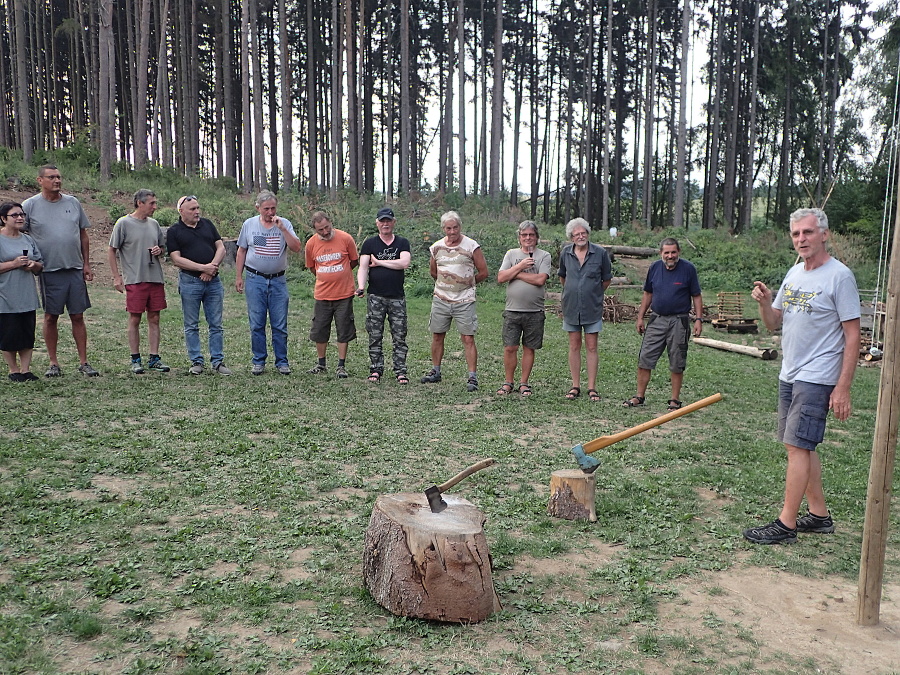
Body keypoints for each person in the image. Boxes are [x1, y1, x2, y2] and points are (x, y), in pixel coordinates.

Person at [743, 208, 860, 545]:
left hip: (819, 375)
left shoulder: (839, 276)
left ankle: (786, 524)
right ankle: (819, 516)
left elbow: (853, 335)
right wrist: (765, 303)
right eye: (796, 234)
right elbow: (773, 322)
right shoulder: (795, 273)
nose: (801, 240)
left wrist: (843, 387)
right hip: (790, 373)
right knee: (800, 447)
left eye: (808, 233)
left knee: (797, 445)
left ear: (824, 234)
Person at [22, 165, 99, 377]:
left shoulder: (72, 203)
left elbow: (83, 235)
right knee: (50, 317)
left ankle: (84, 362)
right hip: (48, 270)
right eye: (51, 177)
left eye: (59, 177)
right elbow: (18, 233)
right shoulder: (30, 205)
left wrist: (86, 264)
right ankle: (53, 363)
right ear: (40, 180)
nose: (57, 180)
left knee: (78, 316)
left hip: (74, 268)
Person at [623, 237, 703, 411]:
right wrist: (640, 317)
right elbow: (647, 294)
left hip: (679, 321)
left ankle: (674, 400)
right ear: (661, 253)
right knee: (645, 358)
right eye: (666, 252)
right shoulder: (654, 268)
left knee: (676, 361)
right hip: (657, 319)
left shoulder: (688, 269)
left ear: (678, 252)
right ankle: (639, 396)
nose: (670, 256)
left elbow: (696, 295)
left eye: (673, 252)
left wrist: (698, 319)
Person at [421, 211, 489, 392]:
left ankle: (472, 377)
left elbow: (483, 272)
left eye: (455, 227)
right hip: (441, 299)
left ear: (460, 226)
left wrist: (467, 283)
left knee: (467, 338)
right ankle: (435, 371)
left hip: (464, 300)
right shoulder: (436, 247)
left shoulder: (472, 246)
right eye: (448, 228)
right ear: (443, 229)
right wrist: (447, 285)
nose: (452, 231)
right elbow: (434, 272)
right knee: (437, 335)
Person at [235, 191, 302, 375]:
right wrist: (238, 277)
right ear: (258, 208)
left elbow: (296, 248)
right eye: (266, 209)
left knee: (279, 324)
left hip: (278, 280)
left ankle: (282, 361)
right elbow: (241, 251)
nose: (270, 212)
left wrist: (283, 229)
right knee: (257, 323)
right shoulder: (249, 224)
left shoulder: (285, 223)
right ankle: (259, 360)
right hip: (255, 278)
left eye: (273, 208)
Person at [107, 189, 171, 374]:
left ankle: (154, 357)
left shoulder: (154, 224)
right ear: (139, 203)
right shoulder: (124, 223)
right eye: (151, 203)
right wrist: (116, 276)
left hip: (155, 278)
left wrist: (160, 250)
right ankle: (135, 358)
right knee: (135, 318)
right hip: (135, 278)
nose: (155, 207)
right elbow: (112, 249)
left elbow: (163, 248)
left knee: (155, 317)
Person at [166, 195, 232, 375]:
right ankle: (196, 361)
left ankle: (218, 362)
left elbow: (221, 248)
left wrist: (212, 268)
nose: (197, 212)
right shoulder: (174, 231)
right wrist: (203, 268)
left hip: (214, 282)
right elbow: (176, 259)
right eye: (192, 209)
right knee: (191, 324)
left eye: (197, 208)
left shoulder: (208, 224)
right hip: (190, 282)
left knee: (216, 324)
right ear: (181, 211)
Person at [558, 218, 612, 402]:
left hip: (592, 307)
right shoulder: (566, 253)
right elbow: (563, 277)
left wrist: (593, 293)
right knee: (574, 345)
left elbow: (606, 279)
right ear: (571, 237)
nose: (580, 236)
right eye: (576, 234)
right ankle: (575, 386)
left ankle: (591, 387)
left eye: (583, 233)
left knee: (591, 346)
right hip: (571, 306)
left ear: (588, 234)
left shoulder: (600, 253)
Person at [356, 207, 411, 384]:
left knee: (399, 336)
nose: (385, 224)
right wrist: (361, 286)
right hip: (375, 297)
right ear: (377, 223)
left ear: (394, 222)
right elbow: (363, 267)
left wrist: (379, 262)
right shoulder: (370, 244)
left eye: (388, 221)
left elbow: (404, 263)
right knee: (375, 334)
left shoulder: (402, 242)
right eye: (382, 221)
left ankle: (401, 371)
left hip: (397, 297)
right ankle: (376, 369)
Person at [495, 220, 550, 397]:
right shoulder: (511, 254)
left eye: (531, 235)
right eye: (524, 235)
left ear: (537, 237)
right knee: (510, 347)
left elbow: (540, 280)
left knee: (529, 347)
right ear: (519, 238)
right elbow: (501, 277)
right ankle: (508, 382)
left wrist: (516, 274)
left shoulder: (544, 256)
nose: (528, 238)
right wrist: (519, 266)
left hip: (535, 311)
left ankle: (524, 383)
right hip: (512, 310)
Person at [305, 211, 359, 378]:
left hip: (344, 293)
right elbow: (312, 267)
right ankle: (321, 363)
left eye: (327, 227)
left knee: (344, 328)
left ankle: (341, 365)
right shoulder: (311, 244)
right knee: (320, 329)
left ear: (331, 223)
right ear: (315, 230)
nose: (325, 232)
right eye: (320, 230)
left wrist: (341, 275)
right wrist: (325, 276)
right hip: (322, 294)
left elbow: (354, 261)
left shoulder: (346, 238)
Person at [0, 202, 44, 381]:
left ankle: (26, 370)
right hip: (5, 296)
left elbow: (40, 265)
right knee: (9, 334)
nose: (20, 218)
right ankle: (13, 370)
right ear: (3, 219)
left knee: (27, 333)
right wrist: (14, 264)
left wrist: (33, 265)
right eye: (15, 215)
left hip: (26, 295)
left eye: (22, 215)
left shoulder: (28, 239)